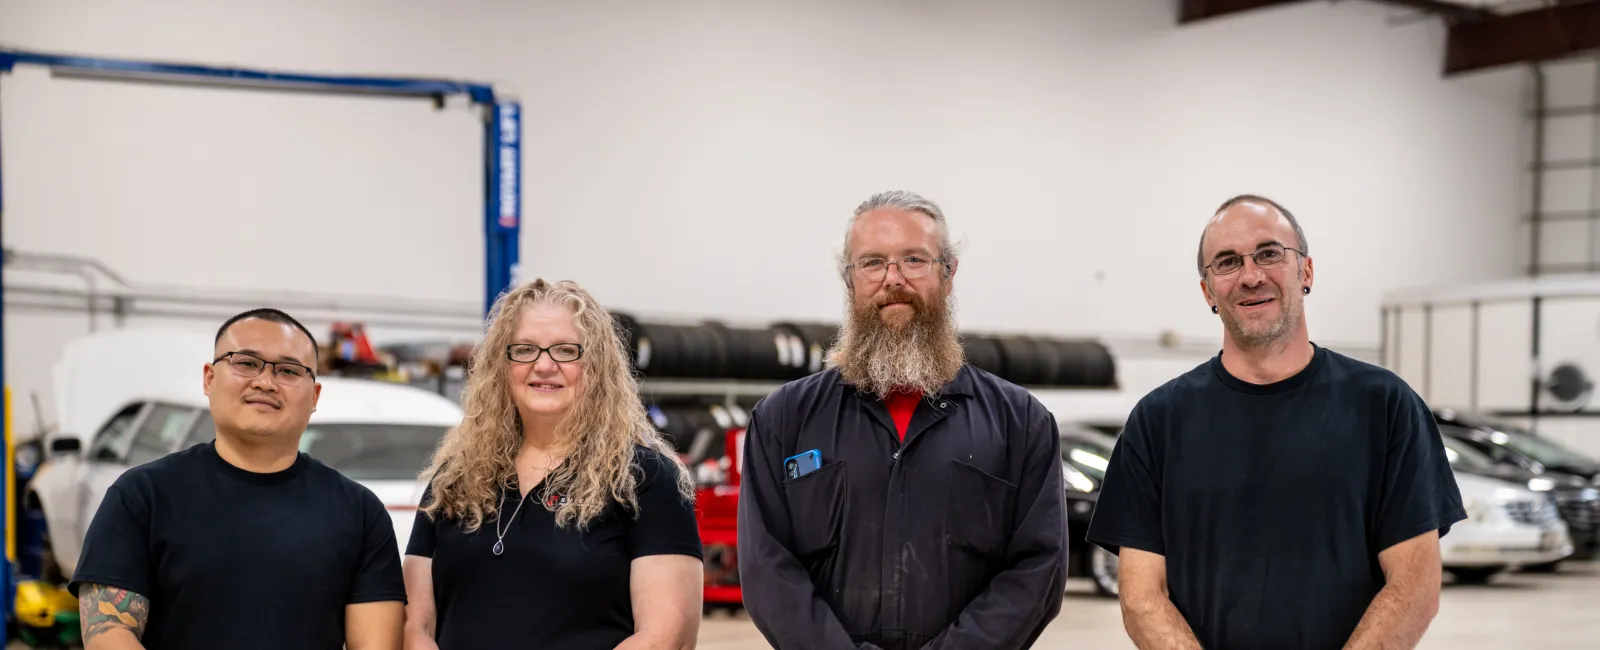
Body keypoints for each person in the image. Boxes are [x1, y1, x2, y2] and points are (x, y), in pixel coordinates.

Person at [1086, 195, 1467, 650]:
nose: (1251, 276)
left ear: (1305, 271)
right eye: (1227, 263)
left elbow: (1414, 587)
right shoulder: (1158, 421)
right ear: (1208, 291)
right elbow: (1141, 596)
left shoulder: (1385, 407)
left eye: (1269, 253)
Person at [737, 190, 1068, 650]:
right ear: (850, 281)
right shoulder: (783, 420)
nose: (893, 279)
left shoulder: (1021, 423)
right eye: (872, 263)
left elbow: (1038, 568)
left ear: (948, 275)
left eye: (914, 260)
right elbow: (767, 567)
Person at [70, 308, 407, 650]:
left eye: (289, 370)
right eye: (246, 363)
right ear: (209, 379)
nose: (265, 381)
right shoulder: (142, 496)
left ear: (315, 397)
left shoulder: (360, 512)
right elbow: (109, 633)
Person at [402, 278, 703, 650]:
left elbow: (666, 636)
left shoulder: (646, 479)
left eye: (565, 350)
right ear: (502, 365)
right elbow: (416, 625)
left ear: (596, 365)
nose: (544, 365)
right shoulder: (455, 479)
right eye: (525, 349)